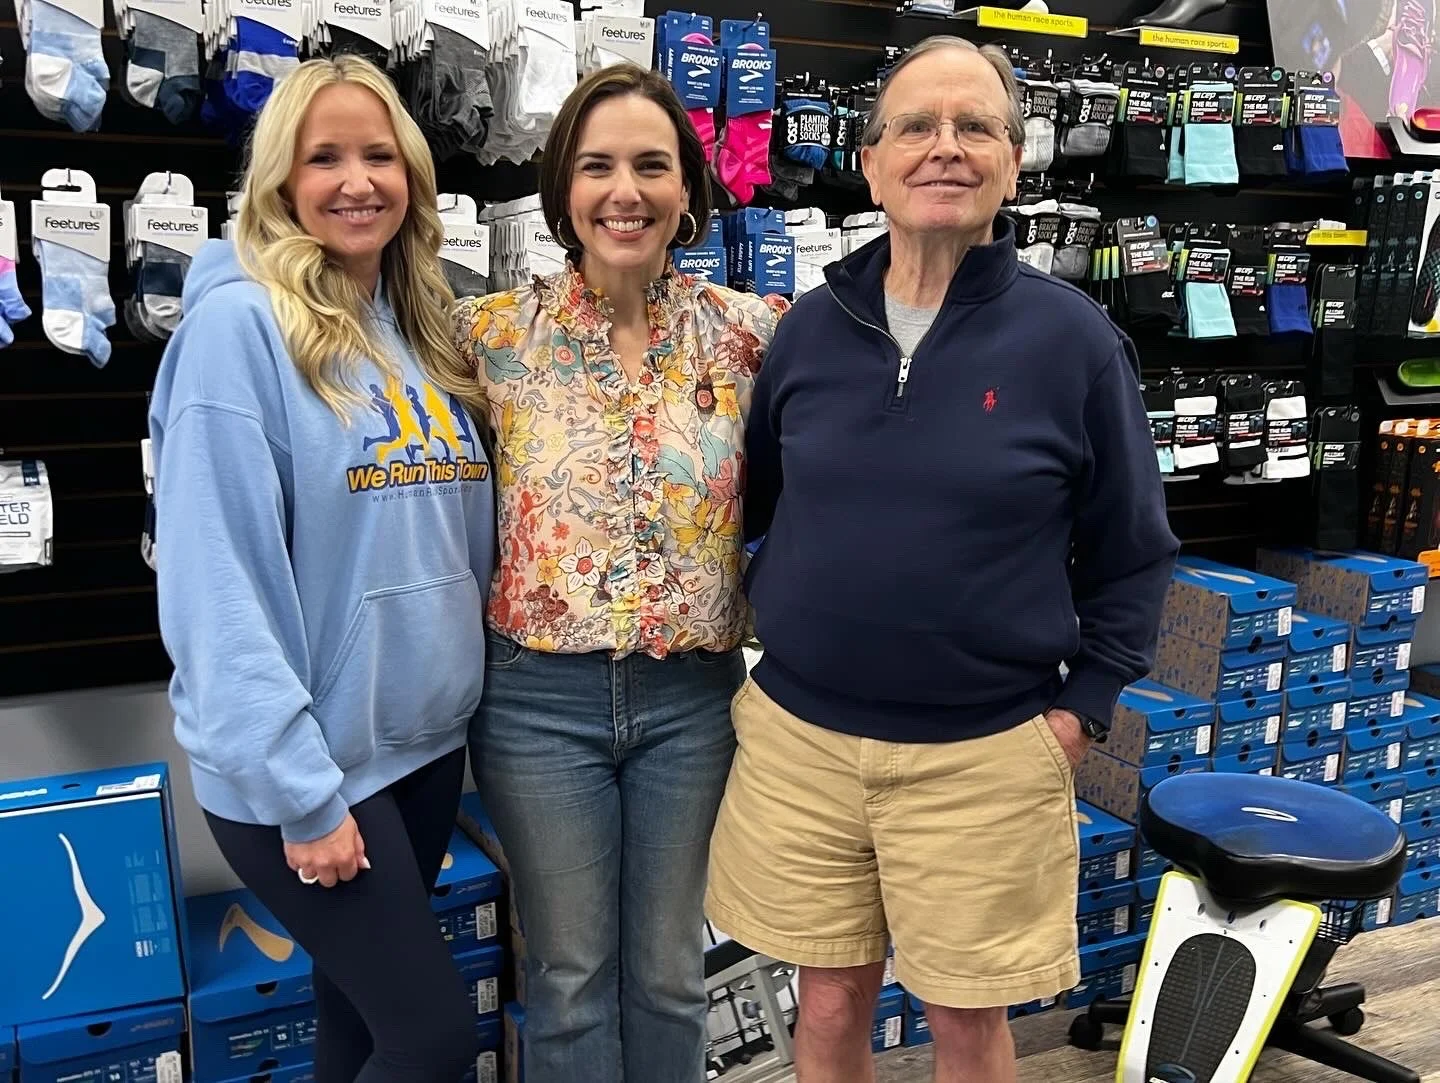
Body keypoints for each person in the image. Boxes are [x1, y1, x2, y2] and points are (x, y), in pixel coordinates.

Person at [704, 35, 1180, 1083]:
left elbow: (1135, 552)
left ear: (1015, 163)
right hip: (802, 745)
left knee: (966, 1019)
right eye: (916, 125)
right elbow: (766, 507)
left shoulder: (1075, 346)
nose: (945, 148)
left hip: (986, 753)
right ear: (870, 163)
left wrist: (1079, 709)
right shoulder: (807, 335)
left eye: (977, 127)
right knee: (825, 997)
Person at [148, 54, 494, 1083]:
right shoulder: (237, 330)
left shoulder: (418, 330)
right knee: (432, 1042)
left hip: (423, 749)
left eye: (380, 155)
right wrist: (304, 794)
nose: (358, 181)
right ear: (280, 182)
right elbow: (218, 587)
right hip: (311, 769)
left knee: (358, 1024)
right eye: (325, 157)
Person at [453, 62, 788, 1083]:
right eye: (597, 166)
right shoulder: (489, 337)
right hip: (534, 705)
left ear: (689, 186)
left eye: (650, 164)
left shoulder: (752, 337)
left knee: (673, 976)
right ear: (564, 190)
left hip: (693, 704)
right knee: (566, 980)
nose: (624, 190)